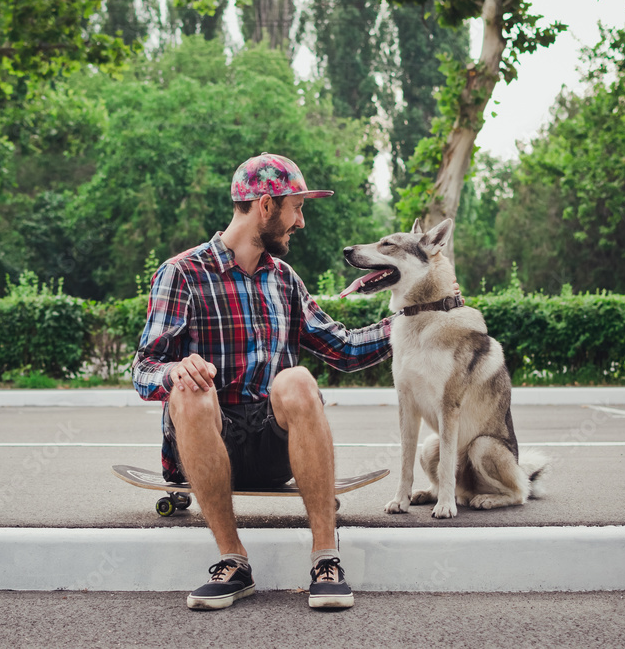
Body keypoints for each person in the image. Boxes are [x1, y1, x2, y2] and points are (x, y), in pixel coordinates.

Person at [133, 152, 459, 611]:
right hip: (205, 446)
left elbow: (343, 348)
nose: (300, 222)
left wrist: (423, 316)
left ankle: (325, 560)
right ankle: (232, 561)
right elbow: (144, 368)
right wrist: (173, 371)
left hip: (272, 450)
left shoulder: (284, 280)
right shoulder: (182, 273)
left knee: (298, 379)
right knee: (189, 389)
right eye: (297, 207)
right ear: (266, 206)